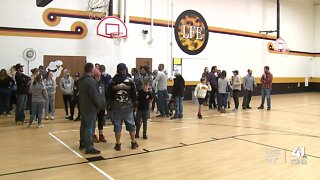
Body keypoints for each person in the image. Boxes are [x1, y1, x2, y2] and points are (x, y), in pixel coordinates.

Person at [107, 63, 138, 151]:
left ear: (117, 70)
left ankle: (118, 144)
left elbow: (108, 96)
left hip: (116, 107)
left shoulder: (111, 81)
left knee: (117, 127)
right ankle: (133, 142)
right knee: (131, 125)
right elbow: (134, 94)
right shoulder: (130, 81)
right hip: (128, 107)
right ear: (125, 70)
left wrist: (109, 107)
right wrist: (135, 106)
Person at [78, 63, 101, 154]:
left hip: (83, 106)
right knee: (90, 127)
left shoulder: (81, 80)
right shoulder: (91, 81)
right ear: (92, 70)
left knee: (83, 126)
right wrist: (99, 106)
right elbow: (95, 96)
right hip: (90, 108)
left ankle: (83, 142)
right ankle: (89, 146)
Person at [92, 68, 107, 143]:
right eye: (97, 76)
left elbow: (104, 95)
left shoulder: (102, 85)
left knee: (101, 121)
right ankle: (93, 134)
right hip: (94, 107)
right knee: (93, 121)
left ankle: (101, 134)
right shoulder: (91, 85)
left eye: (99, 77)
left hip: (102, 106)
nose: (98, 78)